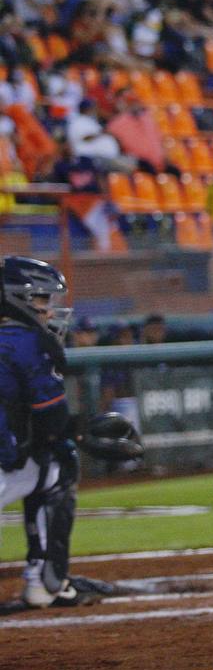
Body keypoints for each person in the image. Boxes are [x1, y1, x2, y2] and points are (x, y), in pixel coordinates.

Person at [0, 257, 123, 607]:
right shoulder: (24, 342)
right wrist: (81, 433)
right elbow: (51, 418)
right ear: (16, 298)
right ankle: (45, 582)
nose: (49, 310)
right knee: (59, 463)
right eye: (41, 300)